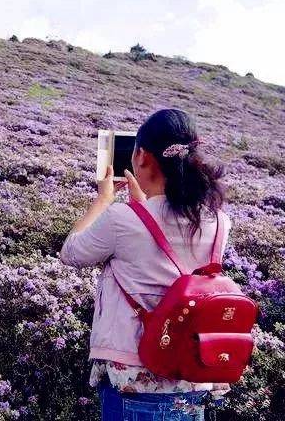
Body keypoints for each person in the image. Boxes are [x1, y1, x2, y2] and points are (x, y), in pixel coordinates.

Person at [60, 109, 229, 420]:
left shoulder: (123, 219)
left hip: (135, 377)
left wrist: (103, 199)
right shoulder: (219, 221)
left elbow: (71, 253)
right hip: (192, 373)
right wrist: (142, 206)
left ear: (141, 156)